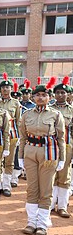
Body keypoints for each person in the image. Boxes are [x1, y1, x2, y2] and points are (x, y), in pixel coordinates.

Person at [18, 77, 65, 235]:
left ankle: (42, 224)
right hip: (31, 151)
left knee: (45, 190)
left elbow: (61, 138)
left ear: (49, 97)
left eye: (44, 95)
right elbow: (23, 137)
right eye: (37, 95)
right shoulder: (26, 114)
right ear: (33, 97)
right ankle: (31, 222)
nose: (40, 97)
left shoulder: (55, 115)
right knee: (32, 188)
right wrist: (20, 156)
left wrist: (62, 158)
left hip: (49, 153)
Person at [49, 76, 73, 218]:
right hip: (51, 147)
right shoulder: (49, 109)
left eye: (63, 93)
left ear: (68, 94)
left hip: (68, 146)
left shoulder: (71, 110)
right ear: (54, 95)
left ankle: (62, 206)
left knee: (64, 176)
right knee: (51, 174)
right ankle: (50, 204)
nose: (60, 95)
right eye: (58, 92)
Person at [0, 73, 21, 197]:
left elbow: (19, 120)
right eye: (3, 88)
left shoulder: (16, 103)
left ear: (11, 89)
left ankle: (6, 186)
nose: (5, 89)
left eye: (8, 87)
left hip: (12, 134)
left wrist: (19, 137)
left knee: (10, 161)